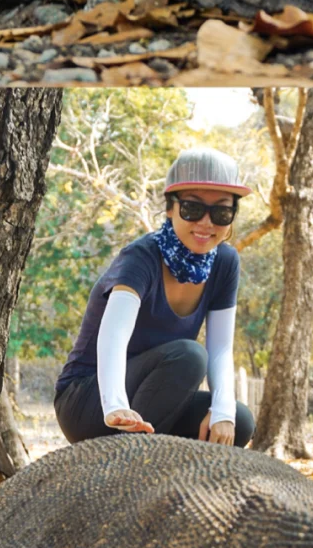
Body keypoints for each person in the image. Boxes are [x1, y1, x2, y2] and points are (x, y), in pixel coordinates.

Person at [54, 149, 255, 448]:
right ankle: (125, 459)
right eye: (192, 209)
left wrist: (222, 411)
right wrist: (115, 405)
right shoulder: (142, 257)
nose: (206, 223)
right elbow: (114, 336)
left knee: (240, 420)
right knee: (189, 356)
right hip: (89, 399)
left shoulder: (225, 262)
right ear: (170, 209)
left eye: (221, 212)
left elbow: (221, 347)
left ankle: (170, 476)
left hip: (156, 399)